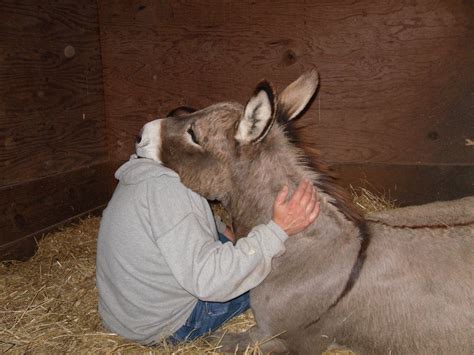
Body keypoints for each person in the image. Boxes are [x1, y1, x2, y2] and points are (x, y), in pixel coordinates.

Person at [96, 154, 320, 345]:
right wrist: (279, 230)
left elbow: (179, 221)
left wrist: (221, 230)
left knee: (243, 250)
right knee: (274, 268)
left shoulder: (144, 177)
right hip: (167, 327)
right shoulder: (171, 189)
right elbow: (210, 282)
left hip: (126, 316)